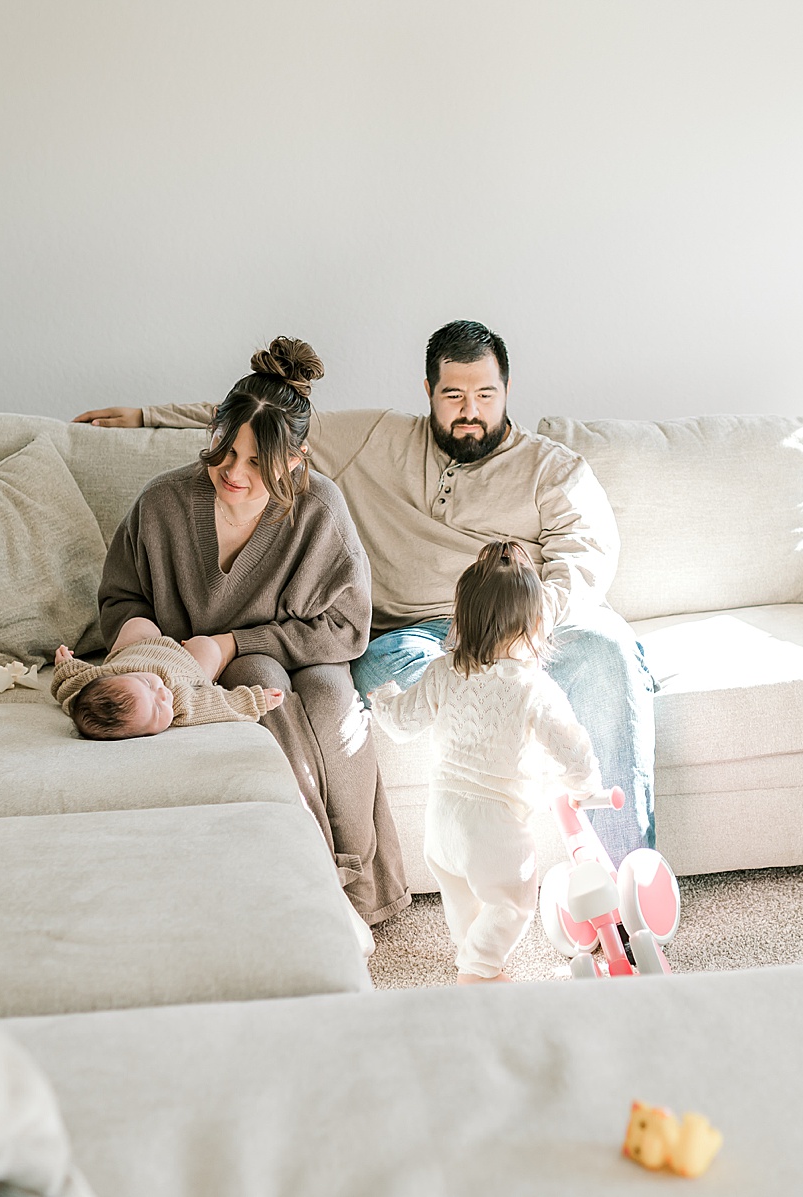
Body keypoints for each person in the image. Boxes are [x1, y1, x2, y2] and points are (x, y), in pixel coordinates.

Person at [74, 320, 657, 863]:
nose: (470, 412)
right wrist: (147, 415)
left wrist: (524, 631)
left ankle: (624, 871)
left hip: (534, 624)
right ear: (428, 390)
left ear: (507, 388)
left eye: (485, 394)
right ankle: (479, 844)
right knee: (381, 680)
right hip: (415, 636)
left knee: (609, 658)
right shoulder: (376, 439)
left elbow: (586, 556)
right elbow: (268, 418)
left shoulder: (550, 469)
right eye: (453, 395)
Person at [92, 337, 409, 925]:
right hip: (209, 666)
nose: (233, 473)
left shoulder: (321, 510)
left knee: (336, 701)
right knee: (264, 685)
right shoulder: (162, 502)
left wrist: (233, 641)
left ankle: (361, 885)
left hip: (310, 651)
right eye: (225, 450)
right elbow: (120, 595)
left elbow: (345, 625)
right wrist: (139, 635)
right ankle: (313, 878)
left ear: (295, 458)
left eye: (257, 462)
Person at [367, 541, 617, 984]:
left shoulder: (443, 671)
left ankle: (475, 956)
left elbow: (403, 724)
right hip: (494, 826)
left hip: (442, 818)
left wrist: (383, 698)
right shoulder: (533, 688)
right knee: (512, 902)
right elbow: (571, 747)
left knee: (463, 896)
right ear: (536, 626)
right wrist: (585, 787)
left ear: (462, 619)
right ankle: (478, 970)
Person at [50, 616, 283, 740]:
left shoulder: (100, 678)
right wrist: (257, 700)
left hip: (139, 647)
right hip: (186, 664)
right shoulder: (181, 703)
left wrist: (64, 664)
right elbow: (219, 704)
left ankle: (146, 639)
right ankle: (194, 648)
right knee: (207, 647)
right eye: (158, 710)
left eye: (148, 683)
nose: (162, 693)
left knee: (138, 624)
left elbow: (69, 684)